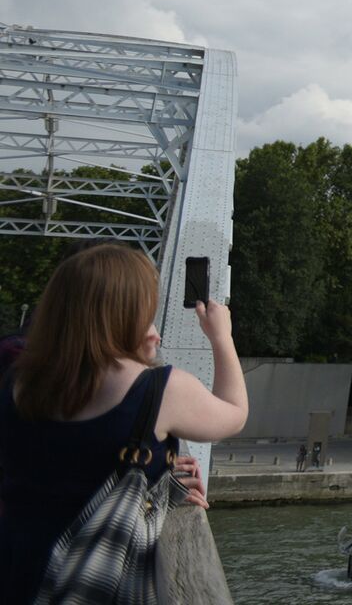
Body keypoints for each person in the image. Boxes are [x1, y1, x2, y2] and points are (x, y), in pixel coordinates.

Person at [0, 243, 247, 602]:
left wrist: (156, 466)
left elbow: (72, 458)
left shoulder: (17, 381)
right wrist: (221, 338)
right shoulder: (159, 390)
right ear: (125, 317)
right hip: (93, 585)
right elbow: (233, 413)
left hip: (16, 569)